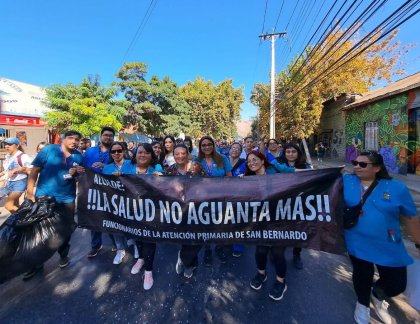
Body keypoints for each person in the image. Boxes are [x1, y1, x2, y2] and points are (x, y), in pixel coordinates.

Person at [344, 151, 420, 324]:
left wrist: (418, 243)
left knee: (397, 283)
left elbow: (409, 217)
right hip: (356, 242)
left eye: (363, 164)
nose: (357, 166)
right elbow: (318, 182)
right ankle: (362, 305)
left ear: (377, 168)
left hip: (388, 244)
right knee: (362, 275)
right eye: (355, 162)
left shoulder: (396, 188)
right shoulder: (346, 181)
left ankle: (377, 295)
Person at [23, 130, 85, 280]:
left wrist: (77, 173)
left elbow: (78, 179)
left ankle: (63, 256)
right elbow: (34, 171)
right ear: (63, 139)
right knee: (38, 232)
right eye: (71, 138)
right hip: (44, 198)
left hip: (67, 200)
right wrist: (30, 192)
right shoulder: (49, 150)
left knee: (65, 230)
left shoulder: (78, 156)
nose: (74, 141)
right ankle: (36, 264)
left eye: (77, 139)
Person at [245, 151, 291, 301]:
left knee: (278, 253)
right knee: (260, 251)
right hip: (260, 222)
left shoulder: (275, 172)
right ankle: (261, 274)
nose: (251, 163)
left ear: (262, 160)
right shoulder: (246, 179)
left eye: (255, 159)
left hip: (280, 220)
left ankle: (280, 282)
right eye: (249, 161)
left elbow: (296, 176)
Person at [125, 143, 163, 290]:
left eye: (146, 153)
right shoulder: (128, 167)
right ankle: (140, 259)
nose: (142, 155)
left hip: (150, 212)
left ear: (151, 156)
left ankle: (148, 271)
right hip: (132, 211)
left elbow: (165, 186)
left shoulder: (156, 168)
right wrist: (116, 177)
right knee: (137, 237)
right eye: (139, 152)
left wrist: (160, 178)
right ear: (135, 154)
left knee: (148, 240)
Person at [166, 144, 207, 278]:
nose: (180, 156)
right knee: (186, 238)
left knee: (198, 239)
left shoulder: (196, 166)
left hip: (197, 209)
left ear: (187, 153)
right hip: (180, 211)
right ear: (174, 155)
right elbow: (165, 188)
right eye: (177, 154)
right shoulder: (171, 169)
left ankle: (183, 258)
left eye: (183, 153)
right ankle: (191, 265)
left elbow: (208, 183)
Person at [195, 136, 232, 265]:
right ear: (200, 147)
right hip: (202, 199)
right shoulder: (197, 160)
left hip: (220, 198)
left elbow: (229, 178)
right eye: (203, 145)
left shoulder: (223, 159)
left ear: (213, 145)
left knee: (221, 225)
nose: (206, 147)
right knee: (206, 225)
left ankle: (219, 248)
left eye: (209, 144)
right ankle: (207, 250)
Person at [277, 142, 313, 270]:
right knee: (283, 228)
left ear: (298, 153)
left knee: (298, 229)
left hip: (300, 203)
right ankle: (279, 253)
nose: (291, 154)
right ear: (284, 153)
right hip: (282, 203)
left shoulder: (307, 166)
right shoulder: (278, 164)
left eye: (293, 151)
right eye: (288, 151)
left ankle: (297, 254)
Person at [83, 127, 116, 258]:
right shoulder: (90, 152)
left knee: (112, 219)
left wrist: (105, 167)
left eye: (111, 136)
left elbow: (122, 167)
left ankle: (117, 244)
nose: (108, 138)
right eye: (106, 135)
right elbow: (84, 169)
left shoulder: (116, 151)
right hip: (93, 190)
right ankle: (95, 246)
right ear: (101, 136)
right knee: (94, 219)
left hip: (111, 191)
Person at [102, 142, 133, 265]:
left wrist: (123, 176)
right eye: (113, 151)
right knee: (115, 226)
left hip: (130, 201)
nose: (116, 153)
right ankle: (120, 250)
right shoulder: (107, 168)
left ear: (124, 151)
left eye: (119, 150)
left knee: (133, 224)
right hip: (114, 203)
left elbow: (138, 179)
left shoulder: (132, 164)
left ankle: (134, 243)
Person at [0, 138, 32, 212]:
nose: (7, 146)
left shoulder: (23, 156)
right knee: (15, 205)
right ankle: (17, 222)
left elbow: (30, 169)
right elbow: (6, 170)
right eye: (5, 144)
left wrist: (15, 170)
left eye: (10, 144)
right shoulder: (7, 157)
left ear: (17, 146)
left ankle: (25, 219)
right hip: (9, 182)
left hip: (19, 182)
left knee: (8, 205)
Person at [229, 142, 246, 257]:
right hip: (223, 195)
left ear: (241, 152)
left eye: (238, 149)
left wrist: (246, 175)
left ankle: (237, 246)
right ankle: (225, 242)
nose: (235, 150)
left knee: (238, 220)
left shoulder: (245, 163)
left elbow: (251, 174)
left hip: (239, 196)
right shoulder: (223, 161)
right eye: (233, 148)